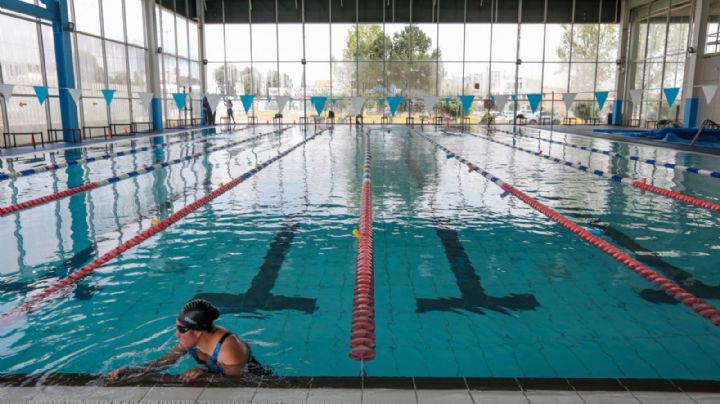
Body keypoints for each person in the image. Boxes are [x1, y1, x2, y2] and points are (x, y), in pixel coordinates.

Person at [107, 299, 270, 382]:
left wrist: (205, 375)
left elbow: (238, 382)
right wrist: (131, 372)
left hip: (260, 383)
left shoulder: (229, 349)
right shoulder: (191, 340)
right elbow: (164, 362)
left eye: (181, 329)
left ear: (198, 332)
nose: (177, 334)